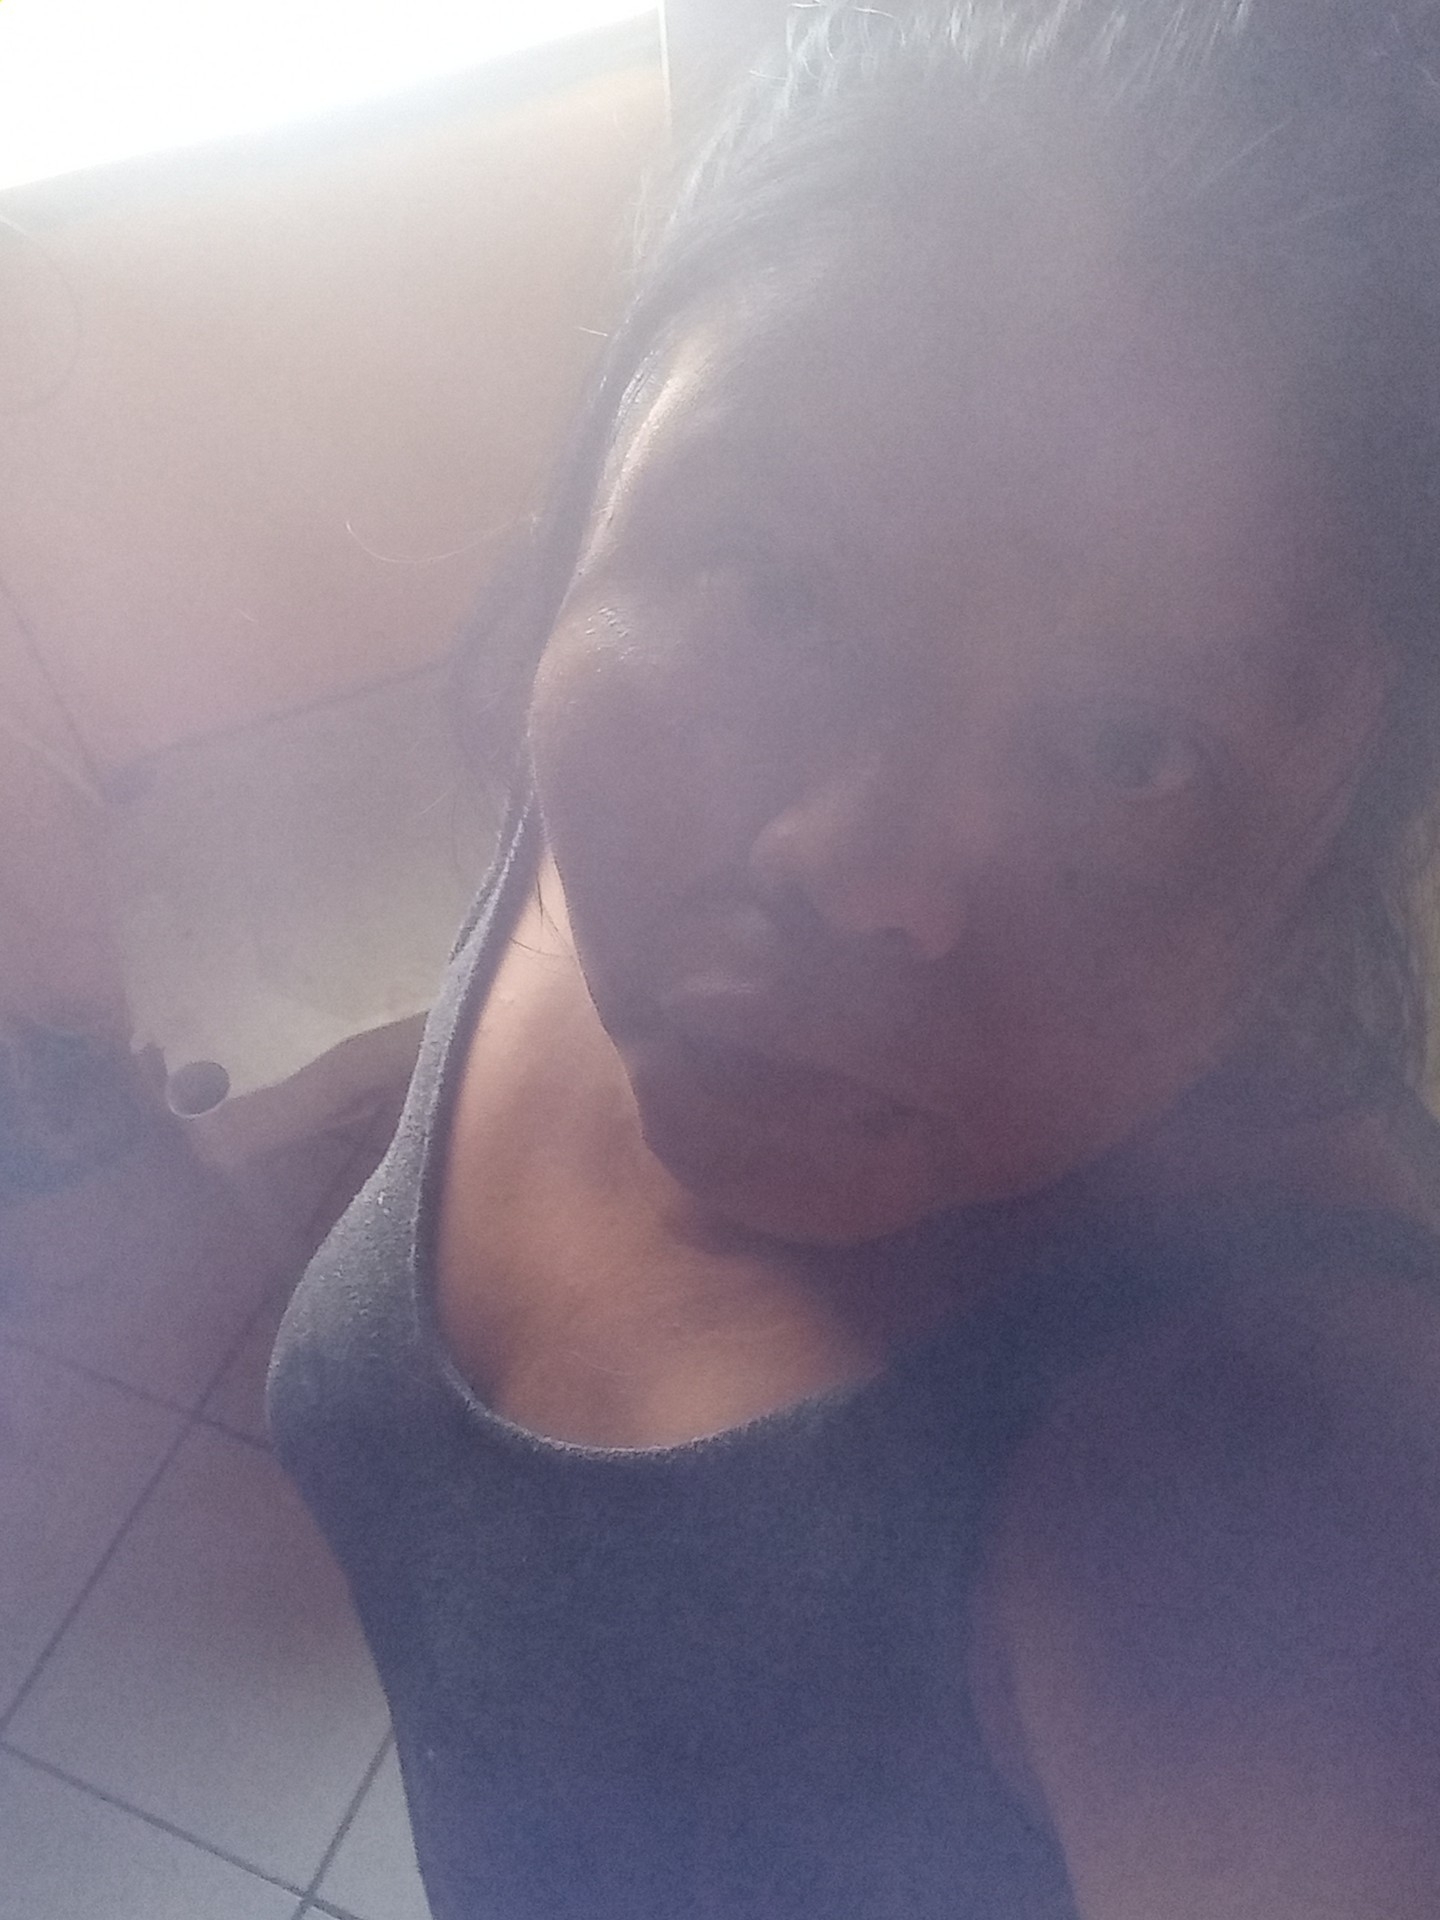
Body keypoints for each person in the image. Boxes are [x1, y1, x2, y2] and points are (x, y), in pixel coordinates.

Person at [268, 3, 1440, 1913]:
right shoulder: (605, 823)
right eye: (778, 582)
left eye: (1130, 747)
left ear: (1322, 853)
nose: (857, 863)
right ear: (596, 503)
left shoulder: (1264, 1461)